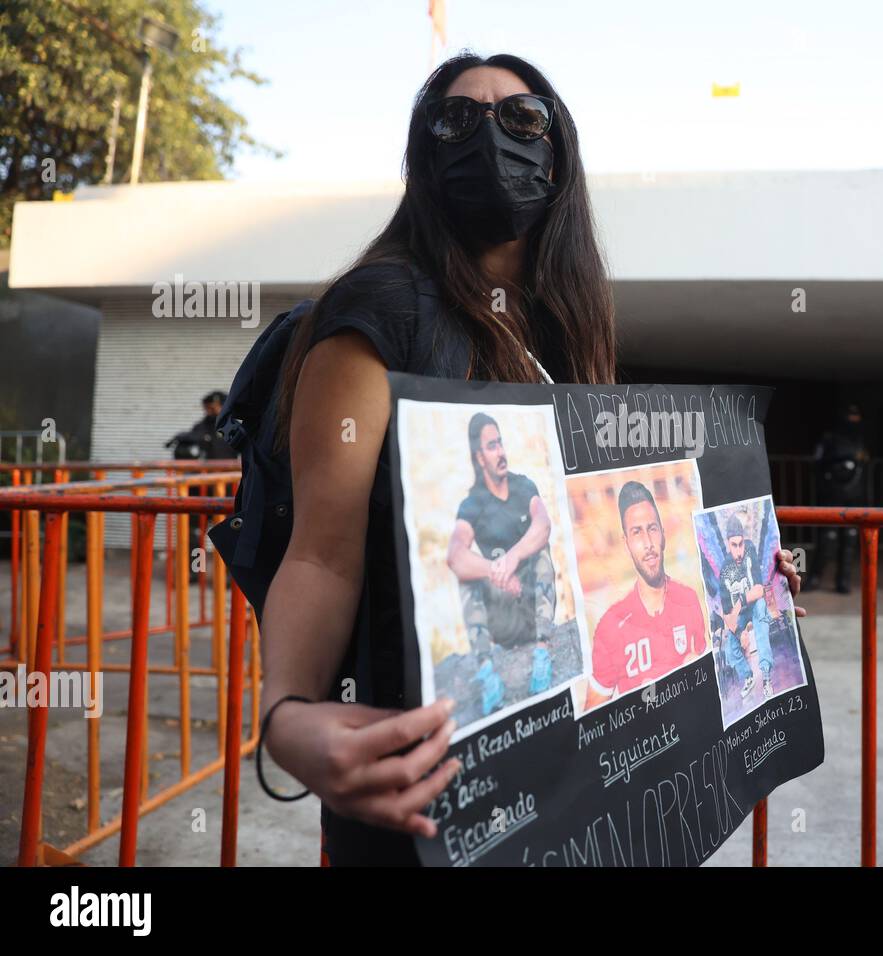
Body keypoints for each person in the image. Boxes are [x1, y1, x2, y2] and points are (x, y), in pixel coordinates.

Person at [252, 51, 806, 865]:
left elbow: (604, 550)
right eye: (457, 118)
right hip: (430, 786)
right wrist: (285, 713)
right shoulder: (379, 310)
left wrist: (746, 572)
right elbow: (322, 556)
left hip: (567, 784)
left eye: (520, 118)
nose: (489, 135)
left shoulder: (560, 332)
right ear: (423, 156)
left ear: (557, 153)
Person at [448, 412, 555, 714]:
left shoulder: (524, 487)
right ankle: (487, 675)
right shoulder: (472, 504)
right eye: (492, 446)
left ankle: (543, 656)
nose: (501, 452)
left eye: (501, 443)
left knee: (542, 552)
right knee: (468, 576)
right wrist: (495, 572)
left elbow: (543, 524)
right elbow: (455, 555)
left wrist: (513, 558)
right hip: (502, 616)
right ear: (479, 457)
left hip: (534, 609)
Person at [585, 481, 707, 708]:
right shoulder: (610, 627)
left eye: (652, 529)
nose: (648, 543)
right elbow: (590, 722)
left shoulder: (689, 600)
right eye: (637, 532)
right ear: (626, 544)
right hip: (648, 743)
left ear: (663, 534)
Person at [807, 403, 868, 594]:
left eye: (856, 416)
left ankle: (843, 580)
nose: (853, 420)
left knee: (849, 538)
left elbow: (864, 463)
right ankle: (815, 577)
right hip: (831, 494)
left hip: (853, 494)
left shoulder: (859, 440)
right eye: (850, 416)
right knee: (827, 537)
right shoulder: (829, 439)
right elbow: (816, 464)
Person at [718, 516, 777, 700]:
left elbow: (759, 590)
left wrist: (739, 604)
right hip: (739, 615)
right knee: (729, 647)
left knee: (760, 611)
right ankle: (748, 677)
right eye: (734, 545)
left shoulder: (750, 550)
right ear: (728, 545)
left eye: (740, 544)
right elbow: (728, 615)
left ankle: (766, 675)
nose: (739, 551)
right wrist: (739, 633)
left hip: (753, 606)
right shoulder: (724, 571)